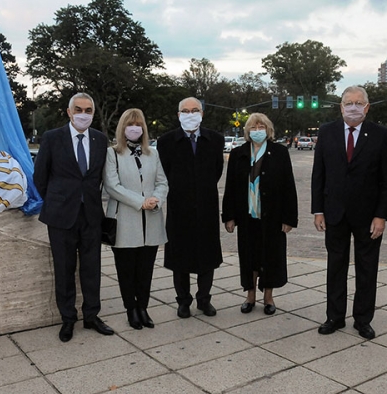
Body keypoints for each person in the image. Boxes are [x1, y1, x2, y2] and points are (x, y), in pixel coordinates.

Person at [311, 85, 387, 339]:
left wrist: (381, 215)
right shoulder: (327, 132)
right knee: (336, 266)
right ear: (341, 107)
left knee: (367, 268)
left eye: (359, 103)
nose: (354, 107)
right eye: (349, 103)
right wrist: (318, 210)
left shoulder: (379, 134)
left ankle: (363, 319)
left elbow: (385, 180)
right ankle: (334, 316)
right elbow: (319, 174)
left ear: (367, 107)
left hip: (368, 216)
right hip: (334, 213)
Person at [33, 93, 114, 342]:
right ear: (69, 112)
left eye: (88, 110)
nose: (83, 114)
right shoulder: (52, 138)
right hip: (60, 216)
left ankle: (91, 315)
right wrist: (58, 200)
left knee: (92, 269)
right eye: (78, 109)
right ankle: (68, 319)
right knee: (64, 270)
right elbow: (40, 177)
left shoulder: (100, 140)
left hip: (90, 215)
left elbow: (100, 177)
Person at [222, 113, 298, 315]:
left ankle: (268, 297)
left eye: (261, 126)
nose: (257, 130)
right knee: (249, 256)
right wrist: (228, 216)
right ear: (247, 131)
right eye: (253, 127)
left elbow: (288, 186)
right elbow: (230, 187)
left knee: (270, 256)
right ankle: (250, 295)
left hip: (272, 216)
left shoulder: (280, 152)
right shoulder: (239, 154)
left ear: (268, 130)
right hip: (246, 216)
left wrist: (289, 218)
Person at [157, 97, 224, 318]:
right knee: (180, 257)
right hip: (179, 207)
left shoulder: (215, 139)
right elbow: (164, 173)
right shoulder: (166, 141)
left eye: (195, 110)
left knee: (207, 256)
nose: (190, 114)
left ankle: (204, 299)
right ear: (178, 115)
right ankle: (183, 300)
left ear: (202, 113)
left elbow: (216, 171)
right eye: (185, 111)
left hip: (206, 206)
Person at [103, 108, 168, 330]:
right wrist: (140, 201)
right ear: (123, 128)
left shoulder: (153, 153)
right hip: (125, 221)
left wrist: (155, 199)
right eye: (130, 124)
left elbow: (162, 182)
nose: (135, 128)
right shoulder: (112, 154)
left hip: (150, 221)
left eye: (138, 124)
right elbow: (112, 186)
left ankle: (143, 307)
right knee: (126, 269)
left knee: (145, 269)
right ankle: (130, 308)